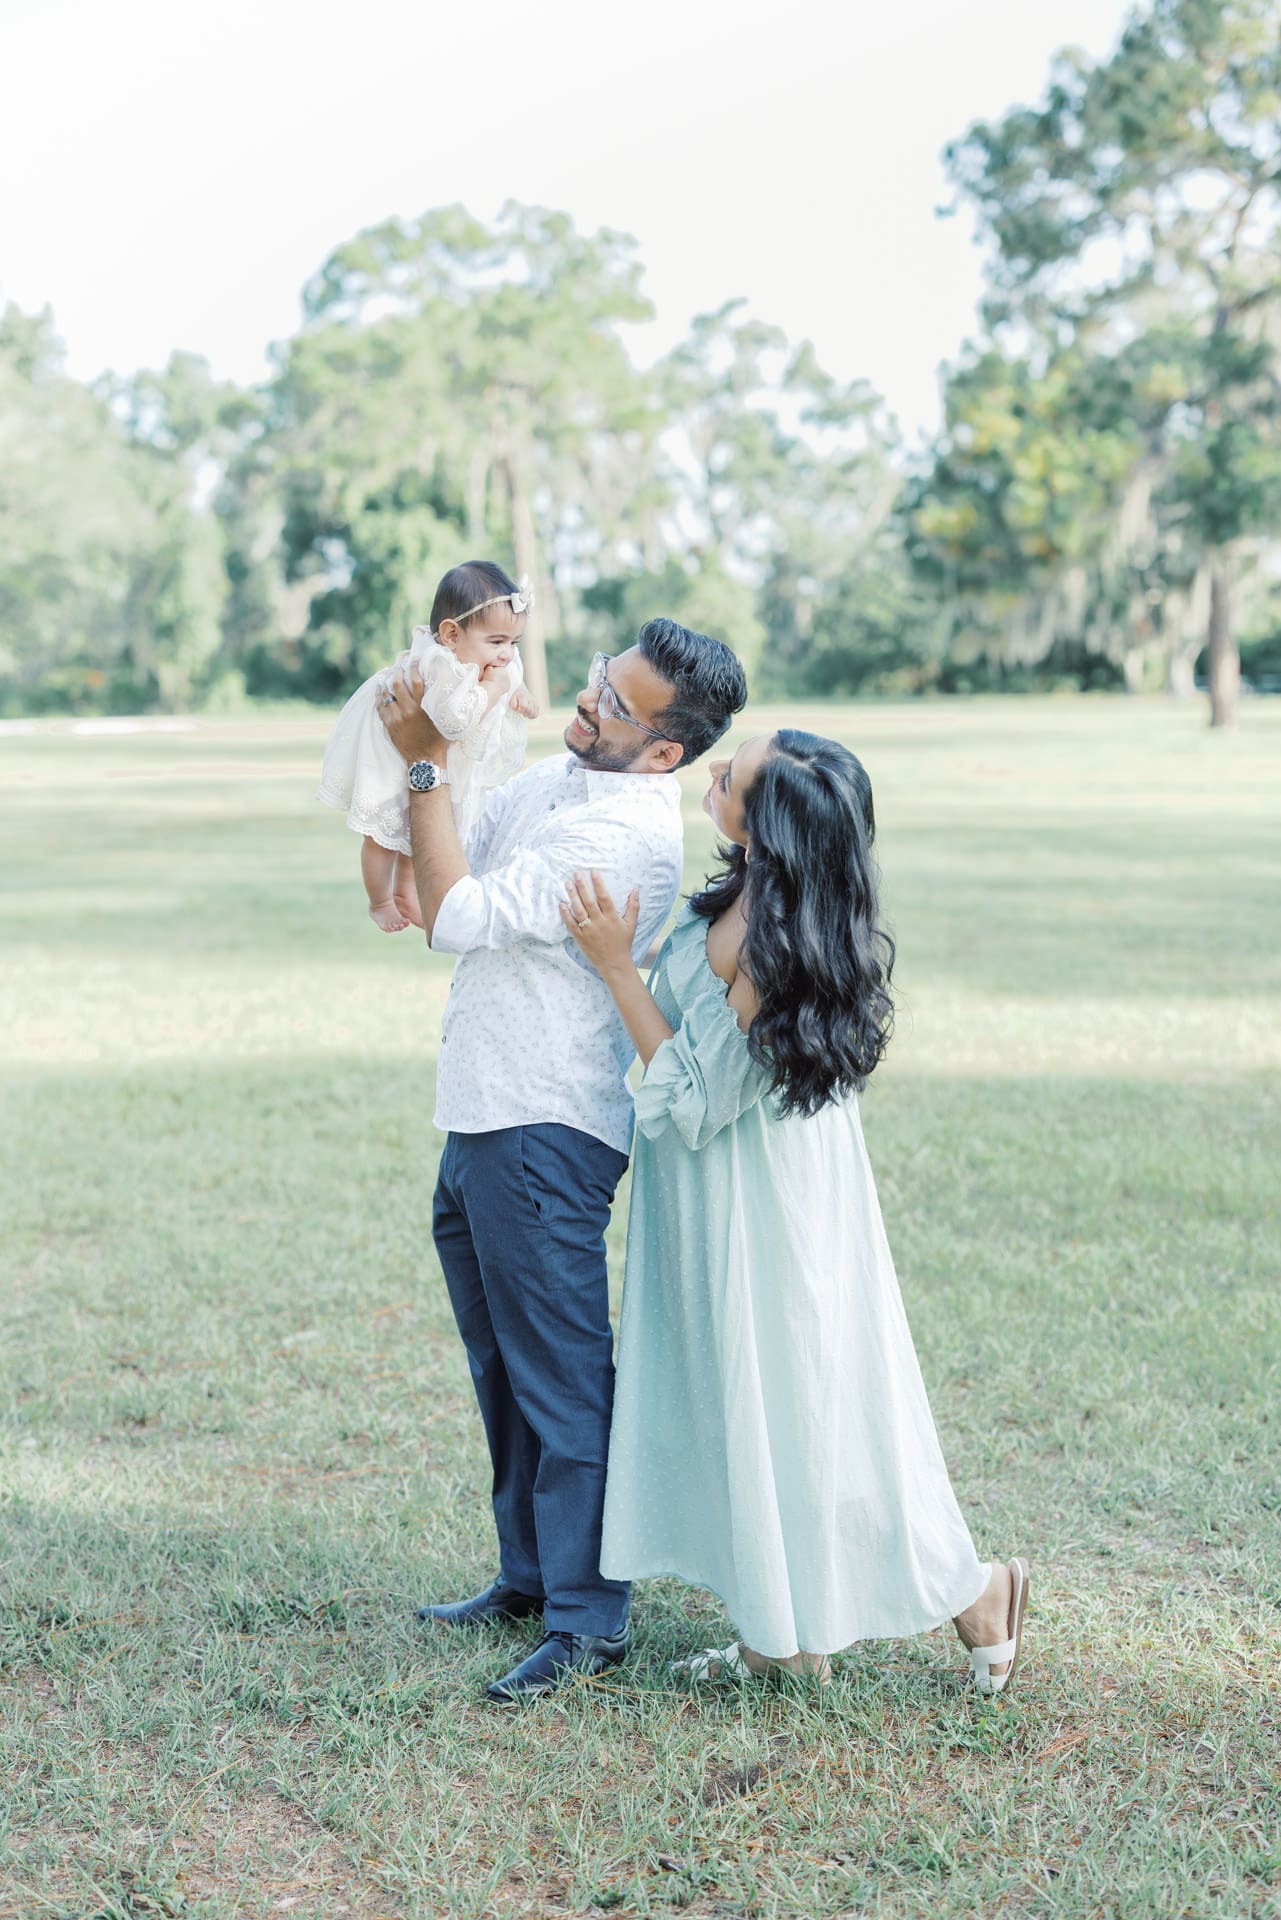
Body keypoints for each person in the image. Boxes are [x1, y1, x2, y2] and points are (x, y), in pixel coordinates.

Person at [561, 729, 1030, 1694]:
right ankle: (776, 1636)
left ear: (767, 828)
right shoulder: (751, 895)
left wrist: (615, 968)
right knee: (744, 1399)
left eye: (727, 775)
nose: (709, 772)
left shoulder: (772, 945)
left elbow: (690, 1097)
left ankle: (975, 1588)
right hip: (724, 1187)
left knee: (805, 1400)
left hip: (758, 1200)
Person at [380, 619, 749, 1702]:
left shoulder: (624, 841)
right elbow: (448, 837)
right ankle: (530, 1575)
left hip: (545, 1129)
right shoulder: (562, 779)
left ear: (667, 753)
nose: (588, 703)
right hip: (482, 1110)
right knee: (502, 1368)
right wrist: (452, 718)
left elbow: (453, 910)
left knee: (562, 1378)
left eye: (617, 706)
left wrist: (423, 762)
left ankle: (591, 1620)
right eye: (598, 682)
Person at [317, 561, 540, 932]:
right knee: (383, 834)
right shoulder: (439, 664)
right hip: (390, 752)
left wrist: (518, 690)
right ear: (451, 634)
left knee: (420, 828)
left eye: (513, 642)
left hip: (428, 754)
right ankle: (381, 901)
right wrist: (498, 688)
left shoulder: (480, 656)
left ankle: (408, 894)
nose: (506, 654)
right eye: (497, 642)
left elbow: (509, 673)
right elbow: (453, 722)